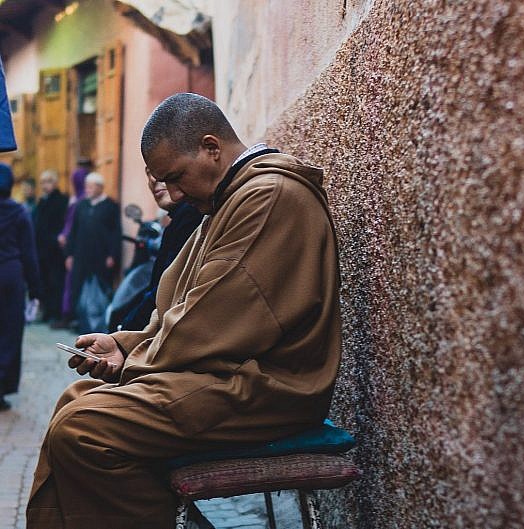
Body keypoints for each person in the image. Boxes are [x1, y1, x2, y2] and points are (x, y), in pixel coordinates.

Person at [26, 93, 341, 528]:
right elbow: (177, 303)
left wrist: (128, 360)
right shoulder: (224, 200)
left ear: (212, 148)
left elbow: (214, 321)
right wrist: (123, 344)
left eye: (176, 177)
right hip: (225, 373)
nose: (172, 193)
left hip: (268, 386)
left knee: (84, 430)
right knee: (75, 401)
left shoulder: (269, 196)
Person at [118, 167, 203, 331]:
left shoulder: (191, 216)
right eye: (148, 173)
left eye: (161, 167)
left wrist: (125, 333)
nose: (153, 179)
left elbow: (168, 291)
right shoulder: (178, 219)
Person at [0, 163, 40, 411]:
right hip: (11, 276)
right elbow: (29, 253)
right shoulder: (19, 212)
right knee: (9, 333)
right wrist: (36, 291)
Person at [64, 171, 121, 333]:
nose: (87, 189)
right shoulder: (81, 205)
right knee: (79, 288)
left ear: (100, 187)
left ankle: (99, 324)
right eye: (86, 186)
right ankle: (81, 322)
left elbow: (116, 232)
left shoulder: (110, 206)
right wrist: (69, 254)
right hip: (81, 256)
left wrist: (112, 255)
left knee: (100, 290)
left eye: (91, 186)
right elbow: (73, 231)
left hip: (101, 256)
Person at [53, 160, 90, 329]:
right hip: (71, 248)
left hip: (77, 249)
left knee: (74, 283)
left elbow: (74, 227)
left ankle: (71, 316)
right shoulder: (76, 199)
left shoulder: (82, 201)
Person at [34, 169, 68, 323]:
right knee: (44, 281)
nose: (44, 185)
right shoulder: (42, 201)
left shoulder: (61, 200)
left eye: (48, 181)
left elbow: (63, 224)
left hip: (55, 250)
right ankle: (47, 311)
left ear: (54, 183)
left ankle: (55, 313)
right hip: (42, 249)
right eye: (42, 182)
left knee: (56, 282)